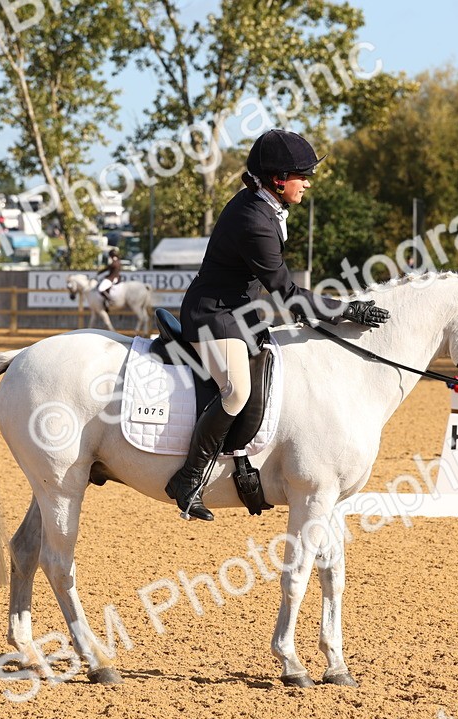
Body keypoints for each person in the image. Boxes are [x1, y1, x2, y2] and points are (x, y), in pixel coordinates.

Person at [165, 129, 391, 521]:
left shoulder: (264, 207)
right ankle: (188, 478)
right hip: (212, 315)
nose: (307, 183)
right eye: (302, 175)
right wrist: (346, 309)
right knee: (236, 392)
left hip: (239, 313)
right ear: (278, 179)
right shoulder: (254, 219)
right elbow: (287, 293)